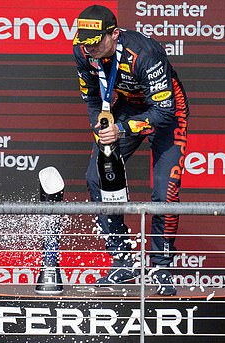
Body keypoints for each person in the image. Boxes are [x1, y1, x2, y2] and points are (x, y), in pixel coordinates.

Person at [72, 5, 189, 296]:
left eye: (95, 42)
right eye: (84, 42)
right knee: (97, 177)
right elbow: (91, 98)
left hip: (166, 113)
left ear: (114, 34)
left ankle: (161, 267)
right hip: (122, 108)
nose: (89, 49)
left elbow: (163, 111)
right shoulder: (83, 50)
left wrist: (122, 130)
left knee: (165, 193)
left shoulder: (145, 53)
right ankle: (122, 261)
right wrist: (100, 127)